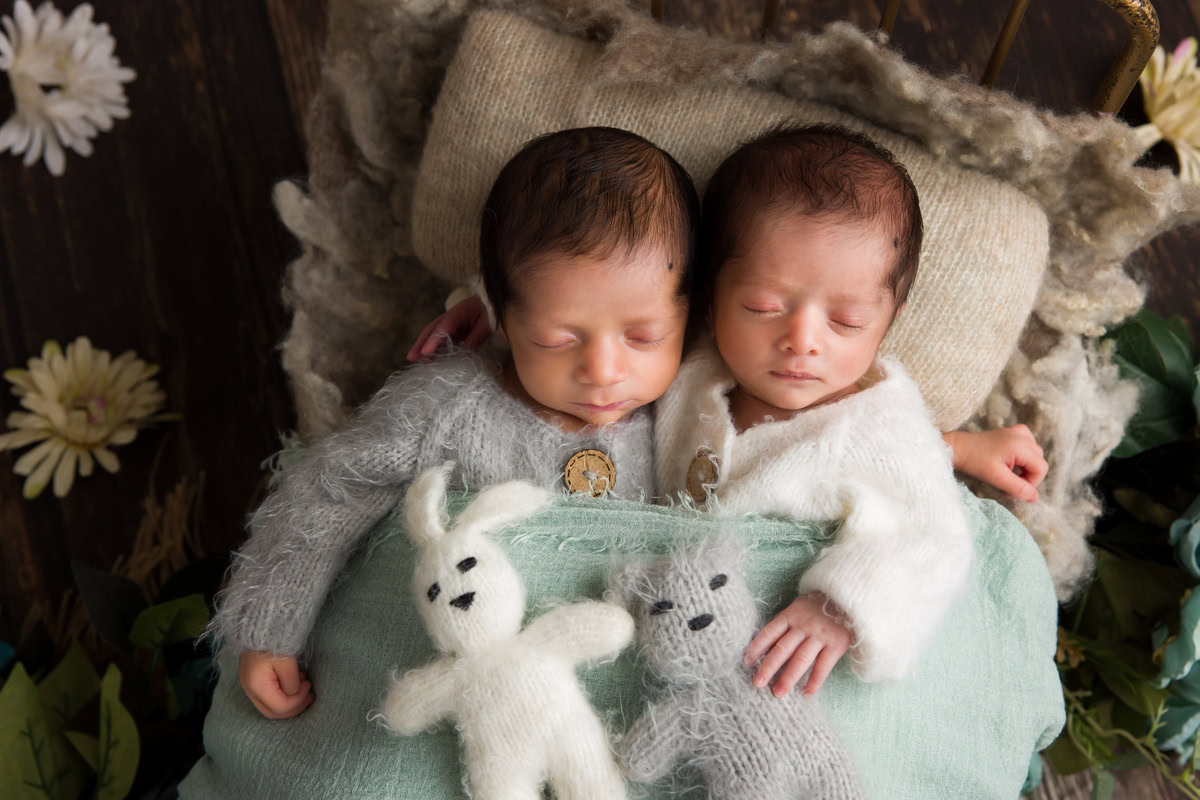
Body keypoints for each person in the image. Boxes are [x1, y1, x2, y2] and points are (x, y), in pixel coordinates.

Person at [216, 126, 700, 719]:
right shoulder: (449, 407)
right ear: (501, 316)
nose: (603, 371)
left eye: (643, 336)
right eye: (557, 338)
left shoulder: (697, 403)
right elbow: (330, 488)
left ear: (691, 313)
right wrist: (268, 628)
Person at [655, 124, 992, 697]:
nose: (803, 341)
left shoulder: (880, 428)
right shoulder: (693, 359)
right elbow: (604, 324)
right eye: (763, 306)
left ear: (889, 321)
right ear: (711, 296)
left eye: (846, 321)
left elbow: (932, 538)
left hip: (769, 659)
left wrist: (839, 606)